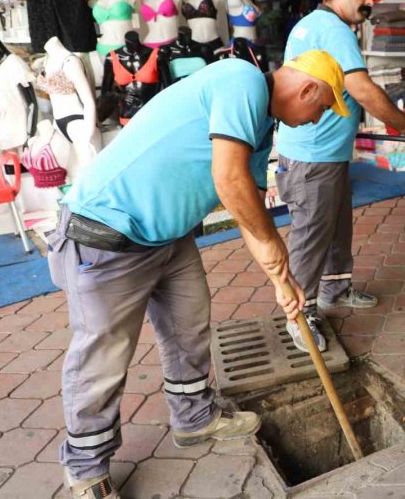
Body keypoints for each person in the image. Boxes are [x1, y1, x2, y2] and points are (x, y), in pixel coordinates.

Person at [48, 52, 348, 499]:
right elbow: (229, 179)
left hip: (167, 237)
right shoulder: (241, 79)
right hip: (107, 232)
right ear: (307, 90)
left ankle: (194, 418)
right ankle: (86, 468)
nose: (316, 119)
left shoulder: (262, 129)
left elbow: (247, 213)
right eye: (321, 108)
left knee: (189, 327)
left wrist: (282, 282)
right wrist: (273, 248)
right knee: (102, 356)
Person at [276, 0, 405, 353]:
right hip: (312, 157)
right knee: (312, 235)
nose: (370, 2)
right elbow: (360, 89)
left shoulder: (314, 24)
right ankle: (301, 312)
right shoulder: (332, 29)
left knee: (335, 225)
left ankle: (335, 290)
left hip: (324, 153)